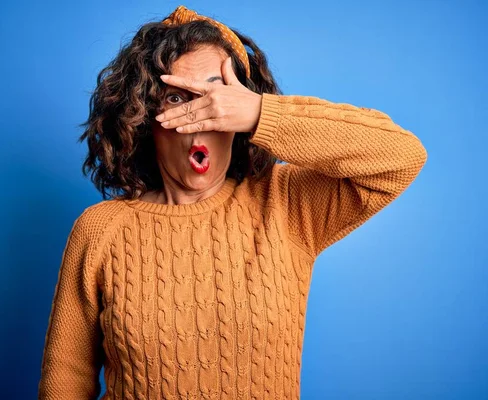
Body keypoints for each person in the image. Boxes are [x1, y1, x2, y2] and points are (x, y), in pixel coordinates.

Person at [38, 5, 427, 399]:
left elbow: (401, 156)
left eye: (216, 96)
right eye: (177, 99)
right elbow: (65, 380)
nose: (202, 117)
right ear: (143, 116)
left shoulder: (286, 204)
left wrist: (262, 113)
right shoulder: (100, 229)